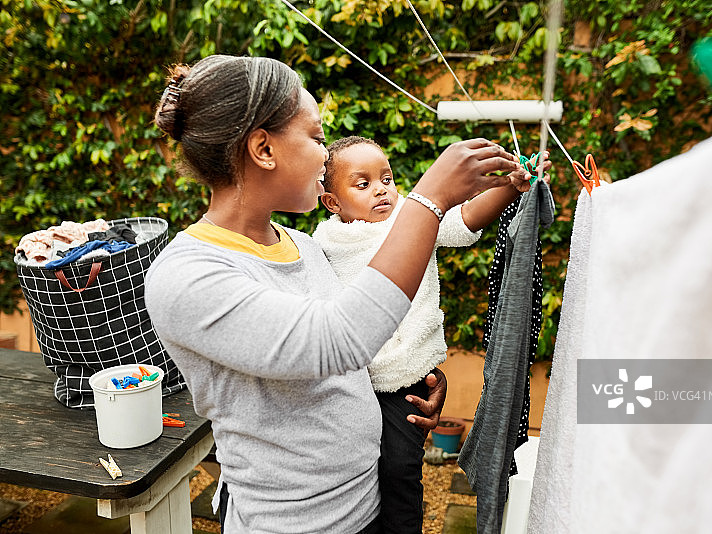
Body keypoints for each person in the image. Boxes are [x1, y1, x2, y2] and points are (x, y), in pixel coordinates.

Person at [145, 54, 527, 534]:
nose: (325, 156)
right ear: (263, 148)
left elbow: (353, 353)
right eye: (316, 137)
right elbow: (335, 341)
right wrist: (430, 200)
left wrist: (411, 379)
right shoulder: (188, 275)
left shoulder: (304, 246)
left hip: (368, 505)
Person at [312, 136, 550, 533]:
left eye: (386, 179)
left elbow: (466, 217)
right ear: (332, 203)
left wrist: (511, 186)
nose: (381, 190)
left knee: (400, 470)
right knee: (356, 472)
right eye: (363, 184)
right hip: (352, 383)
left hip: (406, 382)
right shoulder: (323, 243)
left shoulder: (413, 218)